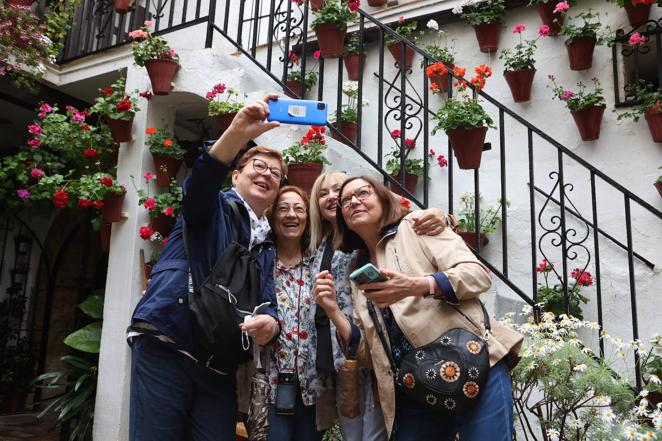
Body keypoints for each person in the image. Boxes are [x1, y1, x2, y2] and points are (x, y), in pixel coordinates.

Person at [313, 175, 523, 441]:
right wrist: (332, 310)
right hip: (416, 389)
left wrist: (418, 285)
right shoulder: (359, 272)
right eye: (345, 201)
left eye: (363, 193)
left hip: (474, 365)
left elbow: (476, 275)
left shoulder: (414, 227)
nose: (354, 201)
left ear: (382, 198)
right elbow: (369, 353)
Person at [128, 94, 284, 441]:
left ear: (276, 192)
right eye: (258, 166)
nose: (267, 174)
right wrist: (237, 134)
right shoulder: (213, 206)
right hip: (170, 339)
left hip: (219, 361)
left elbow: (268, 299)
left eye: (275, 174)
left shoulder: (268, 244)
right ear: (235, 176)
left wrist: (270, 323)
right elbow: (201, 181)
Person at [306, 172, 451, 441]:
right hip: (342, 351)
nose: (332, 198)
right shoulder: (317, 244)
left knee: (375, 432)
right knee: (352, 431)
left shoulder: (367, 232)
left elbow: (404, 213)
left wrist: (443, 217)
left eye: (338, 191)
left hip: (377, 347)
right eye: (322, 193)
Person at [264, 185, 328, 441]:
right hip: (270, 383)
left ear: (308, 217)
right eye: (283, 208)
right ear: (273, 217)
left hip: (314, 386)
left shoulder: (320, 263)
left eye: (299, 209)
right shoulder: (260, 263)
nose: (291, 215)